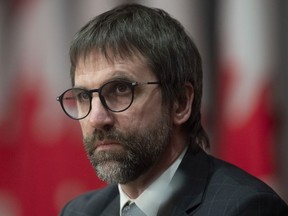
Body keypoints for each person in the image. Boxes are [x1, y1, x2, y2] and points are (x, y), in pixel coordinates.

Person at [57, 3, 288, 216]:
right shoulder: (80, 212)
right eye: (84, 96)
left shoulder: (245, 209)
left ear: (180, 103)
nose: (96, 118)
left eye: (120, 90)